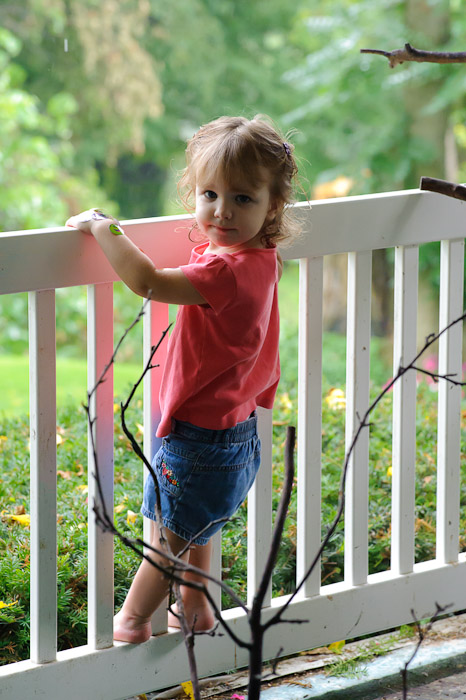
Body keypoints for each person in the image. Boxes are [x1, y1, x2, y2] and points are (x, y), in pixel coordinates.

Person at [66, 115, 300, 644]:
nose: (221, 210)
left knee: (167, 539)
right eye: (209, 194)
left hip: (199, 434)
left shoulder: (224, 273)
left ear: (273, 206)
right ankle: (193, 609)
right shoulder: (261, 259)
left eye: (242, 199)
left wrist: (106, 227)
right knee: (197, 527)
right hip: (235, 428)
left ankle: (131, 622)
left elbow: (146, 280)